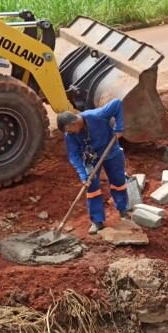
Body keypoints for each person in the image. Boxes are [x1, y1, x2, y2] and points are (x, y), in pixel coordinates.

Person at [57, 99, 129, 234]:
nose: (70, 133)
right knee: (92, 187)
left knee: (118, 181)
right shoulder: (70, 135)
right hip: (91, 158)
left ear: (74, 123)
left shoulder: (95, 115)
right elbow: (74, 156)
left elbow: (117, 103)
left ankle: (123, 210)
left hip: (111, 151)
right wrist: (83, 175)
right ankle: (97, 221)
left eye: (70, 130)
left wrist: (119, 127)